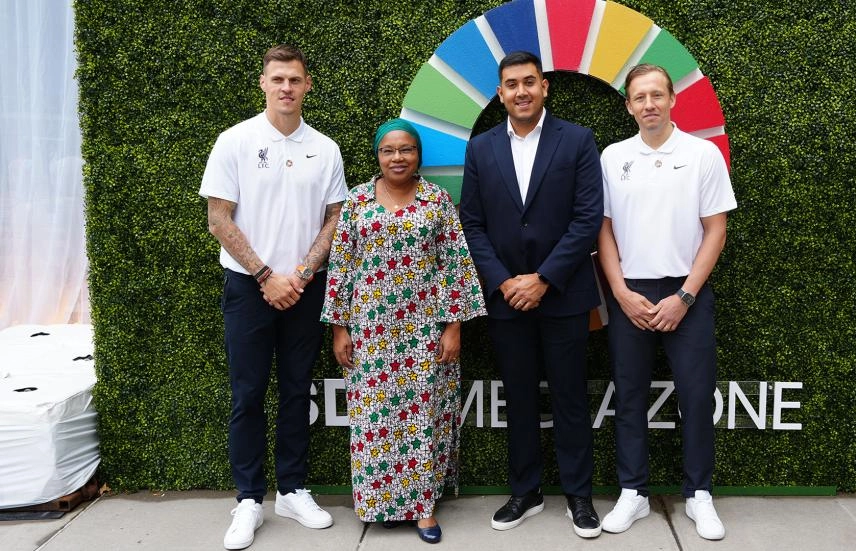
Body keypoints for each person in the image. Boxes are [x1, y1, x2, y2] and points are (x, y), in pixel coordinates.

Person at [200, 44, 348, 550]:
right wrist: (266, 275)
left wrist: (302, 272)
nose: (286, 87)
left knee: (295, 388)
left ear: (308, 86)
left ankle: (292, 489)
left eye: (295, 79)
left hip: (305, 287)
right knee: (247, 393)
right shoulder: (235, 141)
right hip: (248, 286)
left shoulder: (325, 148)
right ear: (263, 83)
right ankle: (248, 500)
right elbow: (219, 217)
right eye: (277, 78)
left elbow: (335, 217)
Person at [459, 51, 604, 539]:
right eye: (511, 85)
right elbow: (472, 225)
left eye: (529, 82)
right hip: (504, 298)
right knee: (518, 397)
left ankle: (579, 496)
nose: (520, 92)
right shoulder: (480, 149)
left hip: (562, 294)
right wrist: (504, 281)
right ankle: (526, 492)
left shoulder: (579, 140)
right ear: (500, 94)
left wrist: (542, 278)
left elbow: (587, 220)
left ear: (545, 87)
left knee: (569, 397)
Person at [321, 119, 486, 544]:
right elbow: (341, 267)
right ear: (377, 155)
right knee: (374, 418)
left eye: (407, 149)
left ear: (419, 155)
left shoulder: (436, 200)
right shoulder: (357, 200)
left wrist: (454, 328)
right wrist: (340, 328)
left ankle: (423, 508)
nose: (398, 157)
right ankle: (382, 505)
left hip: (424, 331)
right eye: (388, 150)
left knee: (422, 419)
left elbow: (456, 266)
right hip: (371, 330)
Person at [596, 64, 737, 541]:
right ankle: (632, 492)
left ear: (672, 99)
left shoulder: (702, 155)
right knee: (629, 394)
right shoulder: (612, 157)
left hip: (686, 292)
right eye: (640, 97)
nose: (649, 104)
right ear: (629, 106)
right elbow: (604, 229)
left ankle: (699, 495)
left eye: (657, 94)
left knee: (697, 396)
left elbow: (716, 229)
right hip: (629, 290)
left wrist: (684, 295)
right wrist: (619, 291)